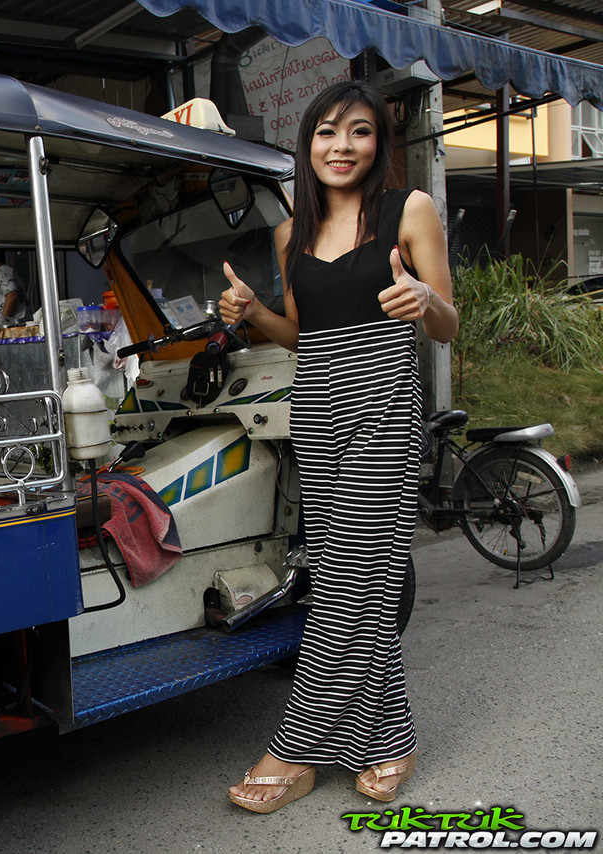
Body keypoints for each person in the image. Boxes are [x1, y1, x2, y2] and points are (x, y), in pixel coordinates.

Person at [218, 80, 458, 814]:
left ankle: (294, 751)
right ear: (308, 144)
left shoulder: (409, 211)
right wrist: (253, 312)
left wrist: (426, 301)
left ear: (378, 142)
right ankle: (392, 739)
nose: (342, 146)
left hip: (383, 401)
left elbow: (448, 323)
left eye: (359, 131)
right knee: (355, 578)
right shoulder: (291, 233)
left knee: (350, 582)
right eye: (327, 132)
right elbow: (303, 335)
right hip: (317, 406)